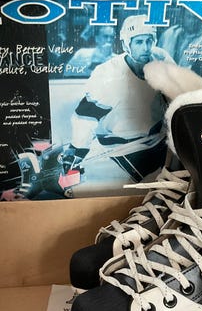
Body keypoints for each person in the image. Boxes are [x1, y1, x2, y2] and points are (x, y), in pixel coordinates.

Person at [60, 14, 174, 184]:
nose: (146, 48)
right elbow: (86, 118)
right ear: (126, 44)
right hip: (119, 149)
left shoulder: (161, 58)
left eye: (149, 41)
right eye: (139, 42)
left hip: (156, 141)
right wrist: (77, 150)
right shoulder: (108, 74)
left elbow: (174, 96)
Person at [158, 0, 202, 71]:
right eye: (189, 17)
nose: (192, 21)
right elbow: (156, 59)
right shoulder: (168, 34)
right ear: (182, 16)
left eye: (195, 17)